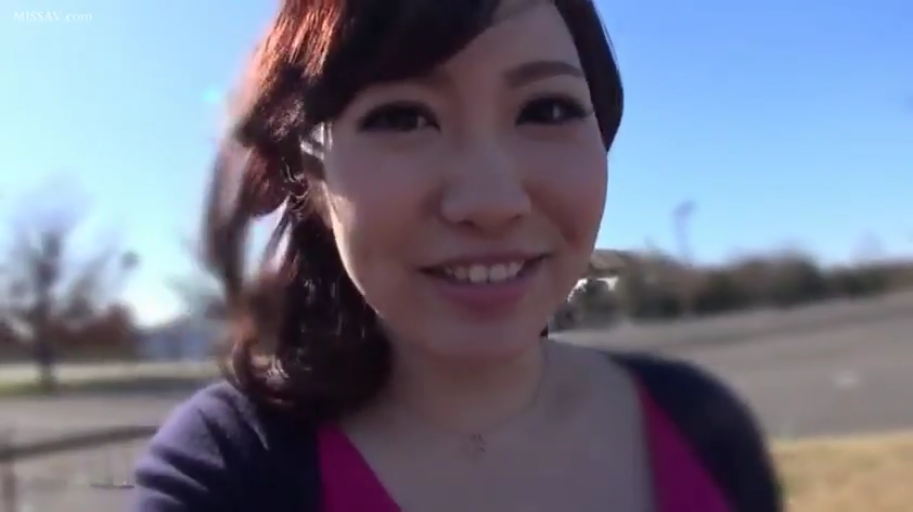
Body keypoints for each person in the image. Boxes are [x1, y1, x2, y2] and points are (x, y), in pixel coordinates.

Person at [133, 0, 782, 510]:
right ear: (310, 177)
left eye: (546, 108)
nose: (492, 202)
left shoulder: (697, 420)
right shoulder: (231, 469)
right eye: (402, 117)